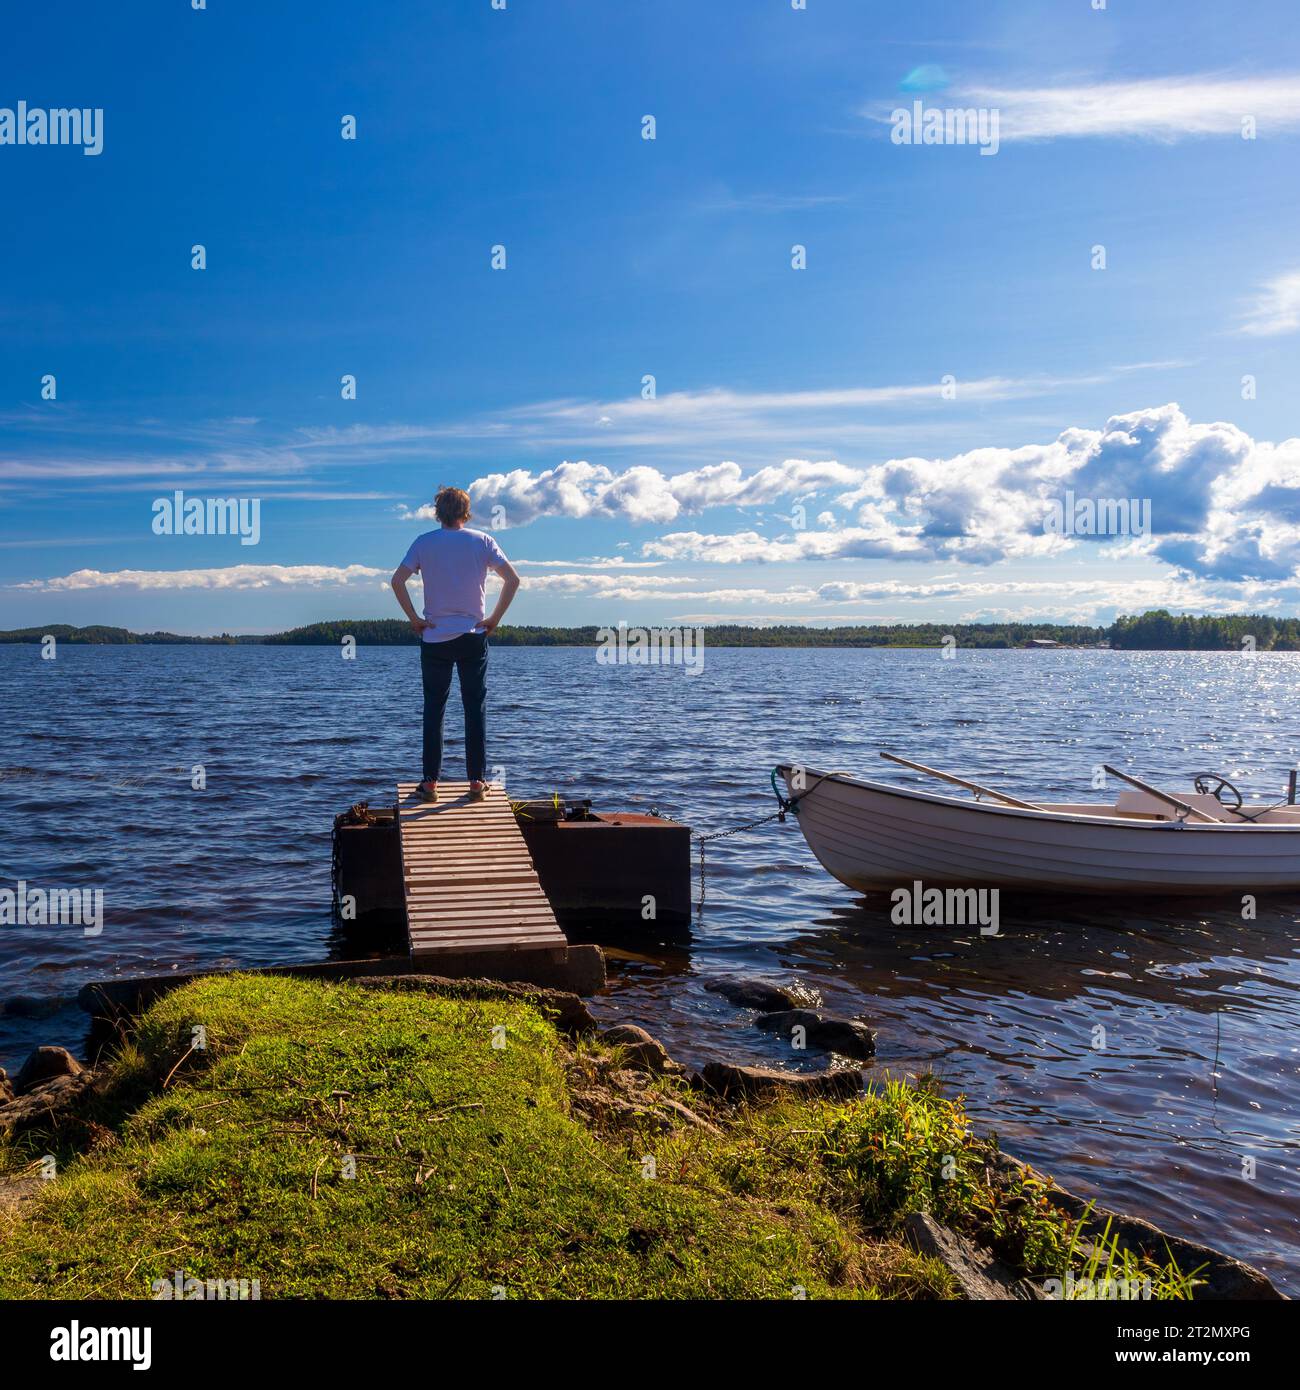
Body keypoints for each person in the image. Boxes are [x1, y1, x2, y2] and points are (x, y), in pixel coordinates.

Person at [390, 486, 520, 803]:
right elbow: (513, 580)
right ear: (466, 512)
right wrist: (494, 619)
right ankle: (476, 783)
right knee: (475, 709)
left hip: (434, 637)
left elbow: (397, 580)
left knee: (434, 709)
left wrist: (414, 619)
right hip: (473, 635)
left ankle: (430, 785)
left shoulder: (424, 543)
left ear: (438, 513)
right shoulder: (483, 541)